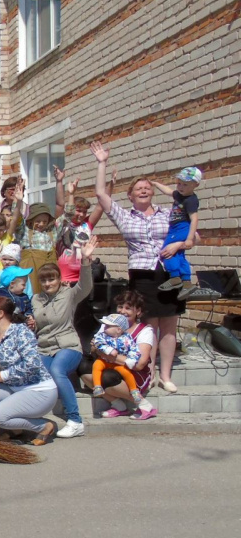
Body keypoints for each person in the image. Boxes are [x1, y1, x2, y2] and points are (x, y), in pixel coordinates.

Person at [92, 141, 183, 392]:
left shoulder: (169, 213)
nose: (143, 190)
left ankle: (166, 375)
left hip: (170, 271)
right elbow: (101, 194)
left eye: (147, 187)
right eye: (138, 188)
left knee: (169, 325)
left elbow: (191, 235)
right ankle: (148, 372)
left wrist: (177, 245)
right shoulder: (124, 216)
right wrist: (102, 163)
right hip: (143, 274)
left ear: (152, 192)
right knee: (149, 325)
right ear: (130, 196)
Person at [0, 293, 58, 445]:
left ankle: (43, 426)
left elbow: (33, 363)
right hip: (16, 388)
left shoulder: (21, 332)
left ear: (0, 313)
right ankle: (16, 428)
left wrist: (5, 375)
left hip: (39, 391)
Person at [31, 237, 98, 438]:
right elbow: (39, 323)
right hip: (44, 346)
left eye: (51, 279)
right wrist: (31, 323)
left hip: (67, 344)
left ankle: (75, 421)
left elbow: (85, 285)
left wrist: (85, 261)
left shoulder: (69, 294)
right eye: (44, 280)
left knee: (57, 370)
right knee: (35, 375)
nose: (47, 283)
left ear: (59, 279)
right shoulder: (36, 299)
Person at [79, 290, 157, 420]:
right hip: (109, 365)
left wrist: (109, 355)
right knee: (83, 366)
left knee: (106, 377)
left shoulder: (144, 331)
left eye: (128, 308)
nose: (122, 311)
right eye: (120, 307)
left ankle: (144, 405)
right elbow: (93, 347)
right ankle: (118, 406)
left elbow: (139, 364)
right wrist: (99, 350)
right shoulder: (109, 324)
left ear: (138, 311)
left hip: (134, 373)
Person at [153, 167, 202, 299]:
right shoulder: (179, 195)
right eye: (179, 183)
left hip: (181, 227)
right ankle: (186, 282)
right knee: (179, 255)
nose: (180, 187)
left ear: (196, 185)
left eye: (185, 184)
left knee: (166, 252)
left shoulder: (191, 200)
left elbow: (194, 219)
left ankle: (174, 277)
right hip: (175, 228)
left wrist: (189, 239)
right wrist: (156, 184)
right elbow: (169, 191)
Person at [91, 314, 143, 405]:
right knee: (96, 365)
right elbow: (98, 343)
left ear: (119, 329)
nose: (104, 327)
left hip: (118, 363)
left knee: (127, 373)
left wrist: (131, 359)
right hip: (104, 360)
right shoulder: (102, 335)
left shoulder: (127, 338)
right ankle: (97, 386)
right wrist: (108, 349)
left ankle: (134, 391)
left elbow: (134, 349)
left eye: (108, 326)